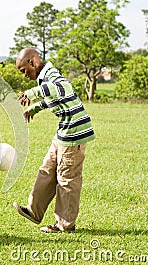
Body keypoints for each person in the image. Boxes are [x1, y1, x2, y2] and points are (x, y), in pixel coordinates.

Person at [13, 48, 95, 233]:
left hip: (74, 132)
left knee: (67, 178)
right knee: (47, 170)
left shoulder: (51, 74)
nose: (25, 75)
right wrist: (33, 109)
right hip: (64, 131)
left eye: (24, 70)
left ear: (33, 62)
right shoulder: (44, 78)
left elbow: (62, 88)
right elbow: (53, 97)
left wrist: (33, 93)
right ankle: (34, 211)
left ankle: (65, 225)